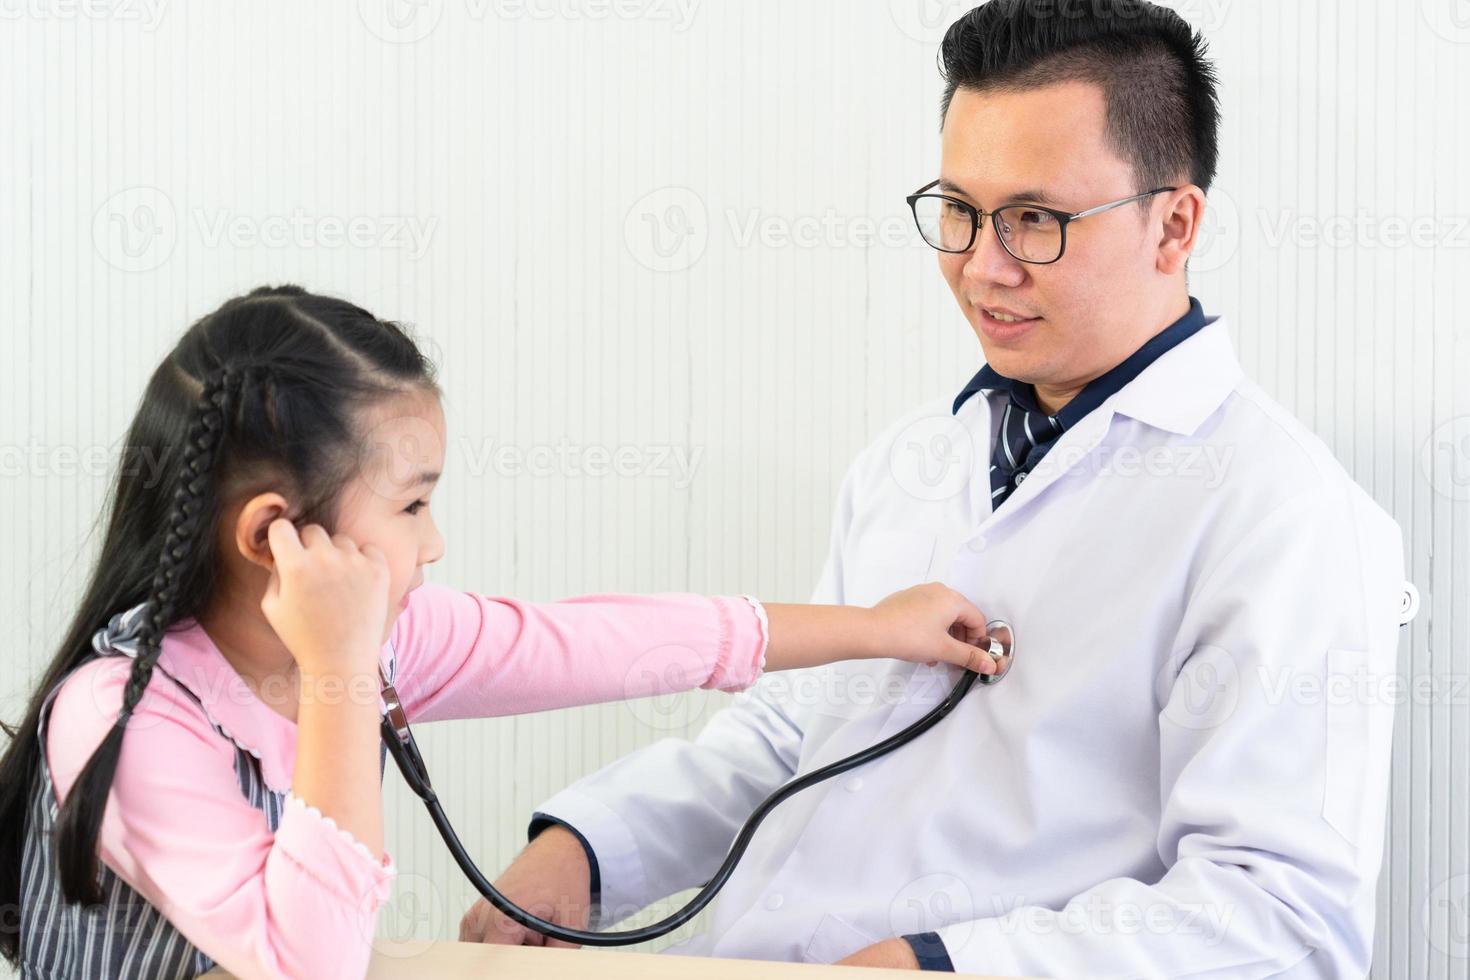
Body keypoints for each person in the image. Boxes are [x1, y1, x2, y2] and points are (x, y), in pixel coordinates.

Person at [461, 2, 1407, 975]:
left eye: (1035, 220)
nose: (980, 265)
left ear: (1174, 223)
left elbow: (1280, 917)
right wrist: (588, 846)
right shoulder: (915, 458)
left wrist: (943, 960)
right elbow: (800, 732)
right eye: (958, 209)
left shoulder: (1284, 514)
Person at [0, 285, 1001, 979]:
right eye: (410, 505)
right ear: (274, 533)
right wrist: (342, 669)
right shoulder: (121, 719)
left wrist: (873, 626)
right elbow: (309, 959)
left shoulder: (383, 643)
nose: (435, 541)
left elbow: (599, 641)